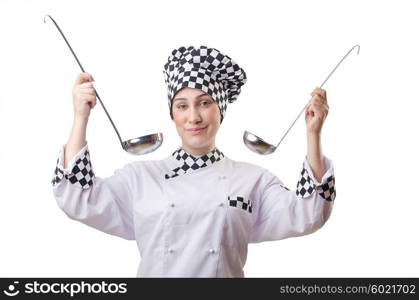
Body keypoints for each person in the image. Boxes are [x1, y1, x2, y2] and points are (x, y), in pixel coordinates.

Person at [51, 45, 336, 277]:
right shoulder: (141, 177)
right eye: (182, 106)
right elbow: (77, 197)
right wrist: (81, 117)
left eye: (205, 102)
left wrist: (313, 134)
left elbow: (310, 213)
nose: (194, 117)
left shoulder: (253, 180)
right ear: (172, 114)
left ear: (220, 110)